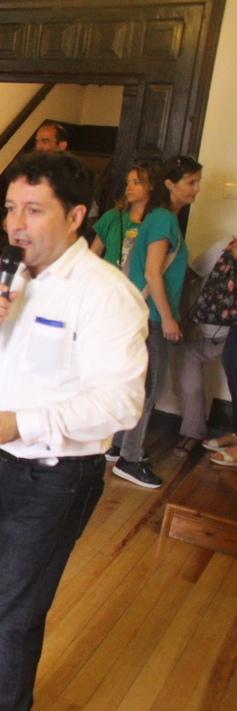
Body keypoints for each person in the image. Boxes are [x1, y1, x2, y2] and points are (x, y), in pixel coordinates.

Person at [0, 151, 149, 711]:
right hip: (1, 463)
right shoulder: (0, 275)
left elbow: (122, 403)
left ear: (75, 216)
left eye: (34, 210)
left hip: (57, 477)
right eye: (10, 209)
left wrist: (24, 423)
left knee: (14, 609)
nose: (15, 224)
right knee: (10, 598)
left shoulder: (105, 294)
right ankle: (3, 701)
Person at [110, 155, 201, 489]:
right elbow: (152, 273)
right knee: (148, 390)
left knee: (139, 385)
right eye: (191, 182)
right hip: (151, 318)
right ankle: (130, 459)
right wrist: (168, 318)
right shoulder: (163, 220)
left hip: (142, 315)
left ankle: (119, 445)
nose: (197, 189)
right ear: (170, 184)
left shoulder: (158, 217)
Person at [172, 237, 237, 458]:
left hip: (230, 334)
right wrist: (186, 319)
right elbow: (187, 276)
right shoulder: (224, 246)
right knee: (188, 385)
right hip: (198, 328)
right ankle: (193, 433)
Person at [89, 160, 161, 267]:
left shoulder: (158, 220)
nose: (129, 187)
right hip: (111, 275)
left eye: (136, 183)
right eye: (128, 183)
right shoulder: (112, 216)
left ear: (151, 186)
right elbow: (94, 252)